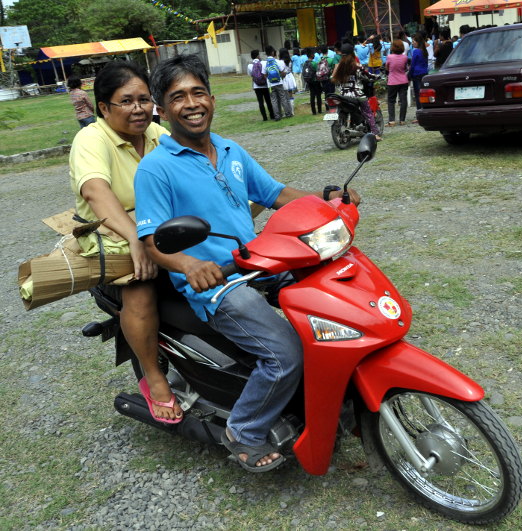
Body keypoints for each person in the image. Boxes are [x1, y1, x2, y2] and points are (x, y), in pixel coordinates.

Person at [135, 54, 359, 472]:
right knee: (284, 352)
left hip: (262, 262)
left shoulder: (229, 148)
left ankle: (334, 396)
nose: (191, 103)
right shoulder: (156, 168)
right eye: (178, 97)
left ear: (212, 99)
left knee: (342, 304)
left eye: (198, 92)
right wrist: (188, 265)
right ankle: (246, 429)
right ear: (161, 111)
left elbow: (275, 192)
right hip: (217, 284)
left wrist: (325, 206)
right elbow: (151, 241)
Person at [69, 60, 179, 424]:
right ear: (103, 108)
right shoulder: (91, 138)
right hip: (111, 230)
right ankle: (154, 377)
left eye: (145, 99)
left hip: (156, 226)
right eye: (126, 101)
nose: (139, 109)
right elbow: (96, 191)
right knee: (141, 285)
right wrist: (135, 236)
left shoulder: (157, 135)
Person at [331, 43, 382, 141]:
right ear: (352, 53)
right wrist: (378, 76)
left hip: (343, 95)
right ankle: (375, 134)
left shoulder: (340, 67)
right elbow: (368, 76)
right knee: (368, 113)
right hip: (356, 94)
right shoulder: (356, 66)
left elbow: (335, 80)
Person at [385, 39, 409, 126]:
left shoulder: (389, 57)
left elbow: (387, 68)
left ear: (393, 47)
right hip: (403, 80)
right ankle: (402, 120)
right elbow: (406, 68)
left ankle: (392, 120)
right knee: (403, 100)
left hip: (392, 81)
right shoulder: (405, 57)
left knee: (391, 101)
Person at [247, 50, 275, 121]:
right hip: (265, 85)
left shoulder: (250, 65)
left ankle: (264, 118)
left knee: (260, 102)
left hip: (256, 86)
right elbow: (266, 72)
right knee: (268, 101)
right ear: (258, 56)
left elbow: (250, 75)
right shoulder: (264, 63)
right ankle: (272, 115)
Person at [265, 46, 292, 120]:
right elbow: (283, 72)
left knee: (274, 100)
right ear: (273, 52)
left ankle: (277, 116)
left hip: (270, 84)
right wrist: (280, 77)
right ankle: (288, 113)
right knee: (283, 98)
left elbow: (264, 74)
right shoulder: (278, 62)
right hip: (279, 82)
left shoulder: (265, 63)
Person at [409, 33, 429, 120]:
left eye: (413, 41)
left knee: (418, 95)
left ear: (417, 42)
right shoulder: (424, 51)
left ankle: (419, 114)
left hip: (416, 74)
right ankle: (425, 112)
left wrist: (409, 75)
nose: (412, 43)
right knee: (424, 94)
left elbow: (412, 65)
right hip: (424, 73)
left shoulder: (416, 51)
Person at [304, 47, 323, 115]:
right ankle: (319, 110)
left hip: (309, 81)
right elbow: (318, 71)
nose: (314, 55)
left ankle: (313, 112)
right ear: (311, 55)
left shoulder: (305, 63)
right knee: (318, 95)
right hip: (315, 80)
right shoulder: (314, 63)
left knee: (312, 95)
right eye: (314, 53)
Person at [279, 47, 297, 115]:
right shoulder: (290, 61)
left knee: (284, 95)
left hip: (284, 78)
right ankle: (292, 111)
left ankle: (287, 111)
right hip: (290, 77)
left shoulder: (280, 62)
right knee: (290, 95)